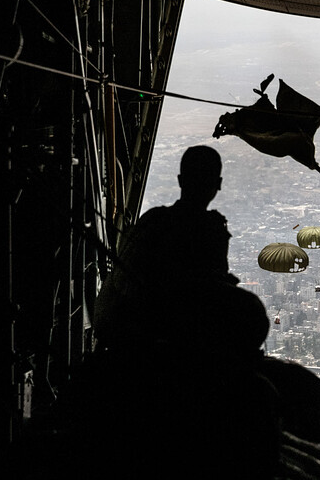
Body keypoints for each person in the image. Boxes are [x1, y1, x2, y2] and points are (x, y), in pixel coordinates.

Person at [94, 144, 268, 355]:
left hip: (137, 325)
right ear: (218, 184)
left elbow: (121, 280)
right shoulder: (211, 230)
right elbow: (209, 291)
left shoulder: (153, 220)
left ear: (180, 180)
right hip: (179, 328)